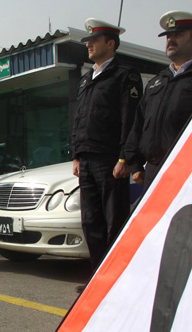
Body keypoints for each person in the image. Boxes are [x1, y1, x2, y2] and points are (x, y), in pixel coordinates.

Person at [71, 18, 143, 273]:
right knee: (90, 221)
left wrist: (124, 157)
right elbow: (79, 119)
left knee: (115, 221)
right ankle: (97, 278)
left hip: (110, 160)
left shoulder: (125, 75)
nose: (89, 45)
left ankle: (118, 277)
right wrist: (76, 156)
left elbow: (130, 119)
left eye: (94, 41)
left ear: (110, 44)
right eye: (88, 41)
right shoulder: (86, 78)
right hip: (87, 161)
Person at [123, 10, 192, 191]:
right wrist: (135, 163)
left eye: (177, 35)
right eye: (168, 36)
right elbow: (139, 125)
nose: (170, 40)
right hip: (154, 171)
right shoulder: (156, 82)